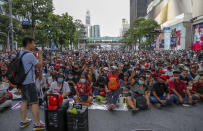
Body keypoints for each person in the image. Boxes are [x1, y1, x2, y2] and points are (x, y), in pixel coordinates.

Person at [19, 36, 44, 130]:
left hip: (22, 82)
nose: (35, 45)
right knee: (34, 102)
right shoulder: (29, 55)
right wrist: (40, 55)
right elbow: (39, 65)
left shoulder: (20, 53)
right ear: (29, 44)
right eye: (33, 43)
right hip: (29, 82)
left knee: (24, 101)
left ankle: (23, 120)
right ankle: (37, 124)